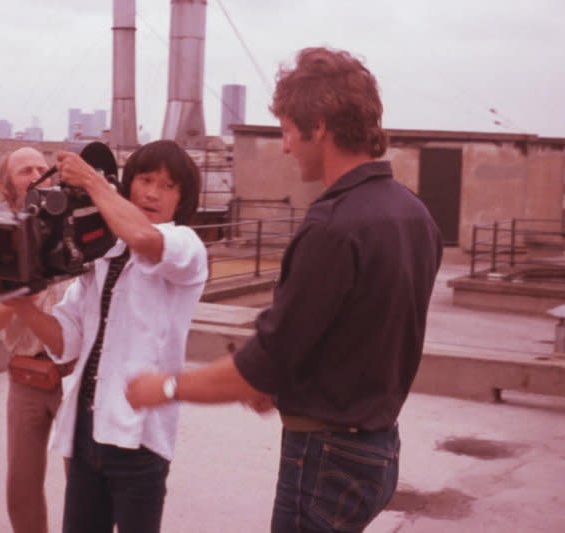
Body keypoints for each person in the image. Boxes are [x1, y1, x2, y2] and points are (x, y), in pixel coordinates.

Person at [126, 47, 443, 532]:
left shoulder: (332, 227)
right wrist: (280, 387)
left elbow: (262, 365)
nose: (286, 146)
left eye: (288, 131)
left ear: (318, 126)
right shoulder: (414, 214)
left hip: (325, 458)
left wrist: (164, 387)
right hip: (378, 449)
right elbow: (354, 334)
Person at [4, 139, 208, 533]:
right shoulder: (100, 257)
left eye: (168, 186)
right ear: (129, 184)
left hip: (140, 439)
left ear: (182, 199)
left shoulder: (186, 247)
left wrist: (92, 183)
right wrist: (21, 305)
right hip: (87, 433)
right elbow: (66, 339)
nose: (152, 193)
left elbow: (147, 240)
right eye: (146, 180)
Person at [0, 146, 75, 533]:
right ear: (5, 186)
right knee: (21, 486)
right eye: (23, 171)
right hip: (26, 378)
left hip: (76, 376)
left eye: (41, 169)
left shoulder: (74, 232)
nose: (35, 176)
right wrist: (20, 296)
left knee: (83, 486)